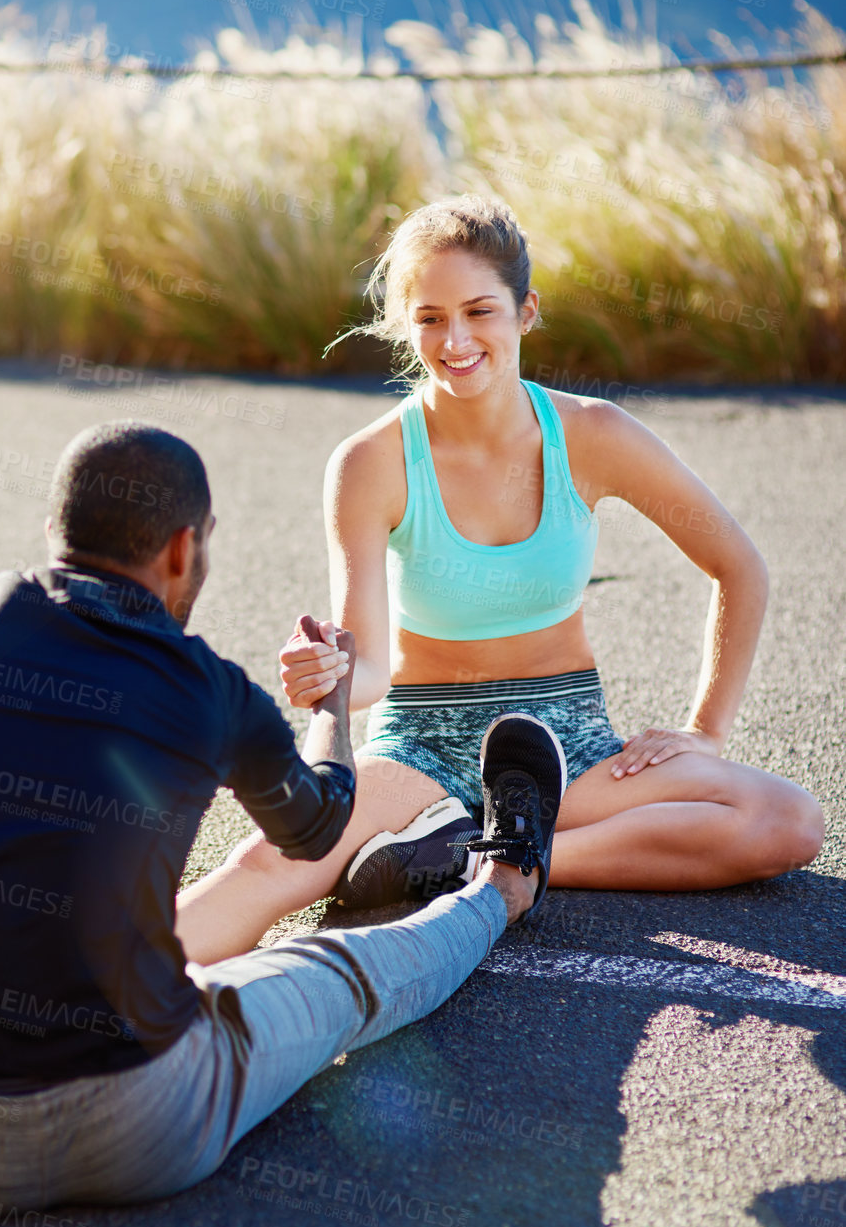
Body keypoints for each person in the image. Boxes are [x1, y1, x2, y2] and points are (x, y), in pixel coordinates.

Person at [0, 422, 564, 1214]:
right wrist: (331, 706)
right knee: (345, 972)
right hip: (150, 1126)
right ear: (184, 549)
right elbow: (315, 827)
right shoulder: (209, 688)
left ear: (53, 538)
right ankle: (503, 885)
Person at [174, 196, 825, 965]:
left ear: (525, 311)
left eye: (479, 310)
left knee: (787, 822)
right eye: (428, 318)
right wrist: (328, 677)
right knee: (266, 865)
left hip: (566, 748)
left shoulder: (593, 435)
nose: (454, 340)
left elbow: (737, 565)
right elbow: (372, 665)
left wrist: (705, 731)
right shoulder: (369, 462)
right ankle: (69, 989)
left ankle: (487, 858)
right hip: (421, 747)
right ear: (405, 325)